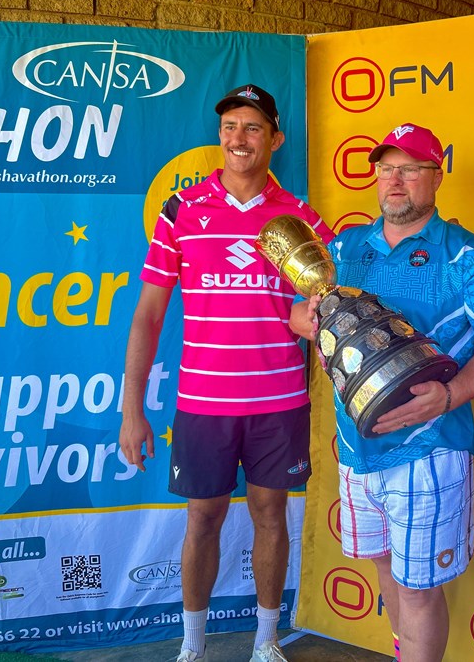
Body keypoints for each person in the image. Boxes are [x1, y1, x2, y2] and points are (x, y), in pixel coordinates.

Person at [290, 123, 474, 662]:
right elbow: (297, 314)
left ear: (436, 177)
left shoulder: (467, 255)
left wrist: (450, 395)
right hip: (356, 447)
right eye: (386, 169)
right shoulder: (344, 247)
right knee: (384, 567)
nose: (395, 181)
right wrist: (312, 322)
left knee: (418, 589)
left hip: (429, 446)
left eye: (411, 169)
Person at [119, 84, 332, 662]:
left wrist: (313, 319)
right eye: (230, 127)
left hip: (279, 401)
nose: (240, 138)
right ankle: (193, 646)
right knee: (203, 518)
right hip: (204, 403)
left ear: (275, 139)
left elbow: (321, 306)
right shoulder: (182, 211)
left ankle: (266, 641)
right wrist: (132, 410)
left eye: (253, 127)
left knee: (271, 515)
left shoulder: (302, 217)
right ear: (220, 135)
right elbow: (148, 316)